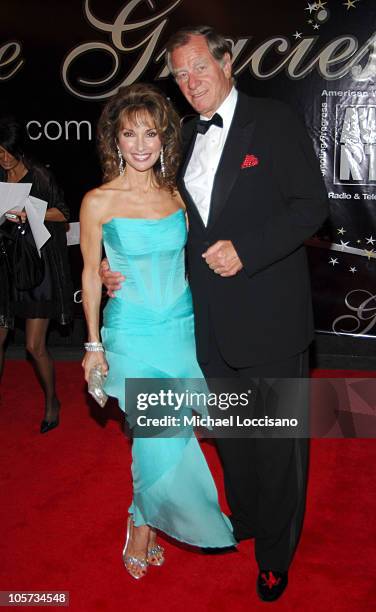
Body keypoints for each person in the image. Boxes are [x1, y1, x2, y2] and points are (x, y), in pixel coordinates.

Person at [102, 27, 329, 600]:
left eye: (200, 66)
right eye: (180, 73)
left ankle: (275, 555)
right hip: (204, 326)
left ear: (228, 63)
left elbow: (311, 206)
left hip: (272, 318)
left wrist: (248, 251)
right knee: (232, 436)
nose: (191, 81)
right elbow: (156, 219)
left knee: (277, 444)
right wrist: (115, 266)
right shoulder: (177, 139)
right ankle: (248, 518)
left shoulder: (272, 121)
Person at [80, 83, 235, 580]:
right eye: (130, 134)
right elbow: (88, 272)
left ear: (164, 138)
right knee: (159, 428)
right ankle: (144, 526)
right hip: (130, 330)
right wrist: (92, 346)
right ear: (115, 141)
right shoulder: (97, 201)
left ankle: (139, 515)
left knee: (165, 432)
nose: (141, 143)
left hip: (179, 328)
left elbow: (193, 260)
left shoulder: (178, 195)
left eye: (150, 132)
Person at [0, 116, 73, 433]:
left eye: (6, 152)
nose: (2, 158)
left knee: (34, 346)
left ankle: (52, 401)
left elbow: (64, 215)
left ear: (18, 149)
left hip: (37, 270)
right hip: (5, 268)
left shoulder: (39, 176)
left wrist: (30, 210)